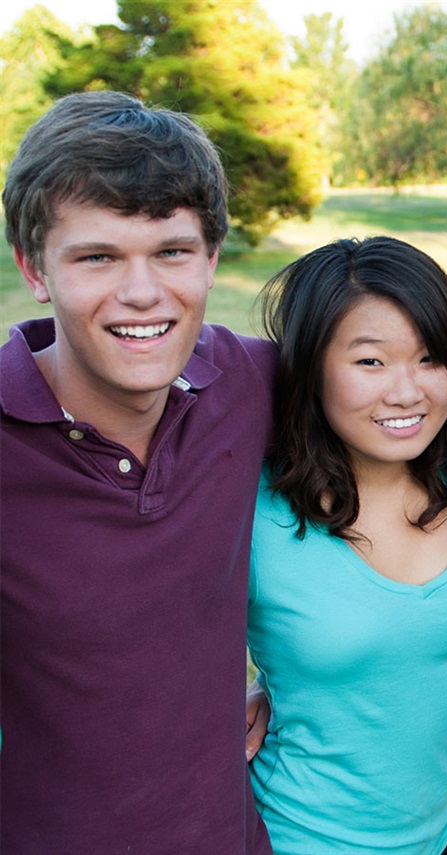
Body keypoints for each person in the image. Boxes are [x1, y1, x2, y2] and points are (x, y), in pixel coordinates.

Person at [0, 91, 273, 851]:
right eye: (97, 256)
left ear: (212, 259)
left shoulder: (250, 385)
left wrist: (306, 681)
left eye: (172, 252)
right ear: (34, 268)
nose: (143, 292)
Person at [247, 236, 447, 854]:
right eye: (370, 362)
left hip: (439, 838)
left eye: (429, 358)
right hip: (295, 836)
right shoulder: (255, 506)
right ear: (312, 369)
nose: (407, 392)